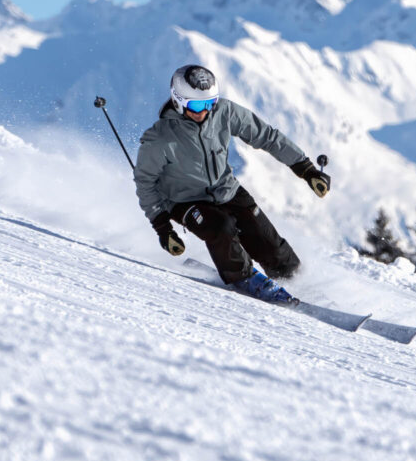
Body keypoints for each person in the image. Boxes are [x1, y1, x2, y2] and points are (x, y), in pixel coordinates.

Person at [135, 64, 331, 303]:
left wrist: (305, 168)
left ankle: (300, 284)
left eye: (210, 103)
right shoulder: (160, 138)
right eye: (197, 105)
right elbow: (145, 182)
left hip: (226, 189)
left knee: (267, 241)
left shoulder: (224, 112)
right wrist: (163, 228)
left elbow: (266, 136)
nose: (204, 111)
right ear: (178, 101)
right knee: (221, 227)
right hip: (184, 201)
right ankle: (245, 278)